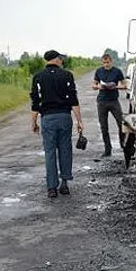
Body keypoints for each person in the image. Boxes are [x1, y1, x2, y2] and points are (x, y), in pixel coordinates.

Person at [30, 50, 84, 198]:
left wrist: (34, 122)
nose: (62, 61)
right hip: (64, 117)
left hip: (47, 118)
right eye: (61, 59)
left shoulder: (38, 77)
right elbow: (74, 100)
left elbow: (35, 102)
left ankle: (52, 187)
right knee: (65, 149)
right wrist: (79, 121)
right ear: (57, 60)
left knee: (49, 152)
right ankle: (65, 183)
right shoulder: (67, 75)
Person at [91, 53, 127, 157]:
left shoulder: (117, 71)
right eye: (104, 63)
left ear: (111, 61)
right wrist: (98, 87)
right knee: (104, 126)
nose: (106, 65)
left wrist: (116, 87)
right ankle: (108, 149)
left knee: (121, 124)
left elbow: (124, 85)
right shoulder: (99, 71)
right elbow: (93, 85)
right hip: (102, 101)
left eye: (107, 62)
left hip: (113, 101)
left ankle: (123, 144)